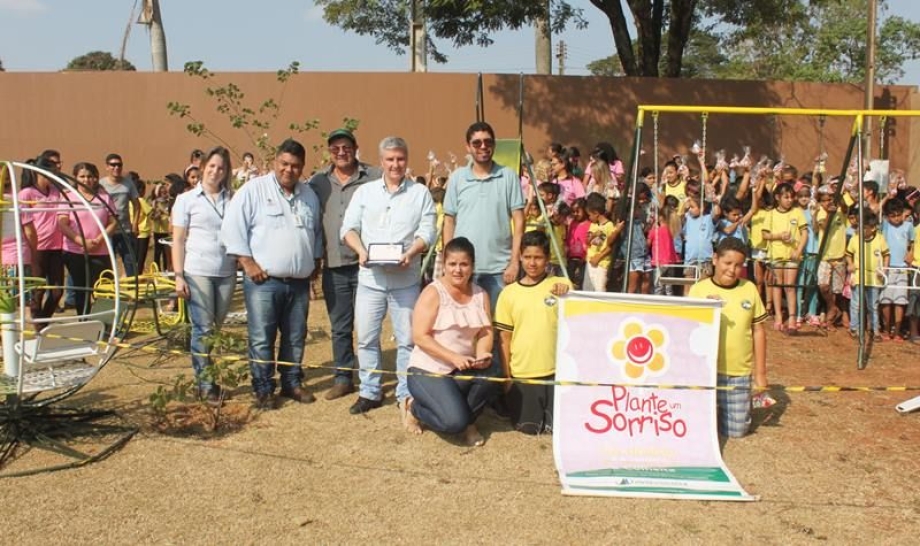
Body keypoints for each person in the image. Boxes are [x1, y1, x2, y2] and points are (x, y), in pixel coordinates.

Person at [221, 139, 324, 409]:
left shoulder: (309, 195)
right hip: (263, 282)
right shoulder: (253, 190)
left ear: (302, 168)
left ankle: (291, 382)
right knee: (261, 336)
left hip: (299, 283)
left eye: (295, 166)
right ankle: (263, 388)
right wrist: (247, 261)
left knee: (294, 336)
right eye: (284, 164)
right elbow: (232, 229)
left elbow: (315, 234)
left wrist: (314, 263)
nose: (289, 170)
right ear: (274, 162)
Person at [340, 137, 436, 415]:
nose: (395, 164)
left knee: (407, 340)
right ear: (381, 161)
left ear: (407, 160)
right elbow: (348, 228)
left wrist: (412, 251)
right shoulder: (365, 193)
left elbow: (428, 230)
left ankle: (405, 393)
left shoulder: (420, 193)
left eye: (400, 159)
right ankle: (369, 391)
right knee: (367, 339)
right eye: (390, 159)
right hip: (371, 281)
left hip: (405, 283)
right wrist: (360, 251)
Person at [308, 128, 382, 401]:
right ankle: (342, 378)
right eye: (335, 148)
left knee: (368, 325)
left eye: (346, 147)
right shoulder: (318, 182)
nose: (341, 152)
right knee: (340, 325)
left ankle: (369, 378)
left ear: (355, 148)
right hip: (335, 265)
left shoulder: (374, 176)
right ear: (330, 152)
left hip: (368, 264)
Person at [404, 237, 497, 445]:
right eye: (452, 264)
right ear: (444, 265)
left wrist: (482, 353)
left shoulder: (481, 295)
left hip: (462, 368)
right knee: (453, 423)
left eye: (464, 264)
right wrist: (453, 357)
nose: (458, 270)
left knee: (492, 374)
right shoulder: (432, 293)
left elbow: (485, 332)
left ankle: (469, 422)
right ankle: (413, 407)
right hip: (428, 369)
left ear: (472, 266)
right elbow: (419, 336)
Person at [173, 147, 237, 405]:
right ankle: (205, 385)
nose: (215, 171)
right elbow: (178, 240)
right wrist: (179, 276)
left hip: (226, 272)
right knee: (203, 329)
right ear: (202, 167)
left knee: (216, 329)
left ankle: (209, 375)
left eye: (220, 168)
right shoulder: (186, 200)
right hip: (197, 270)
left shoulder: (232, 199)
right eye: (211, 166)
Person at [688, 237, 768, 439]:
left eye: (739, 265)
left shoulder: (749, 289)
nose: (733, 270)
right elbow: (688, 329)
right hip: (705, 372)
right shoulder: (699, 290)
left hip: (738, 373)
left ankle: (735, 407)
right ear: (715, 259)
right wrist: (704, 310)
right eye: (728, 263)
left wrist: (760, 374)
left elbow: (759, 330)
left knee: (737, 432)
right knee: (699, 430)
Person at [442, 121, 525, 312]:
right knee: (464, 328)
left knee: (499, 328)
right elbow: (448, 221)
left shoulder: (508, 176)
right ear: (468, 147)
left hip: (500, 270)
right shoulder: (457, 178)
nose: (483, 147)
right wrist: (449, 263)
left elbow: (519, 221)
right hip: (463, 270)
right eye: (477, 143)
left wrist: (514, 262)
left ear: (494, 144)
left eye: (487, 142)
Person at [495, 230, 571, 434]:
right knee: (528, 429)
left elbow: (579, 324)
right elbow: (504, 339)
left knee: (557, 429)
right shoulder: (508, 294)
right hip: (523, 374)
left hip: (556, 373)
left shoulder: (562, 286)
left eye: (538, 257)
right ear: (520, 257)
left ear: (547, 258)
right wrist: (507, 378)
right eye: (527, 257)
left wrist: (569, 295)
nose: (532, 263)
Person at [57, 162, 116, 315]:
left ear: (95, 178)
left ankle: (104, 322)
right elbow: (63, 224)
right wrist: (80, 241)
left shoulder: (103, 197)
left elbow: (113, 222)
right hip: (75, 251)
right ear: (75, 177)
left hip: (100, 250)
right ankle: (84, 321)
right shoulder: (68, 196)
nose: (86, 180)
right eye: (82, 176)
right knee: (81, 289)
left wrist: (98, 240)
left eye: (90, 176)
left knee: (104, 288)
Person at [19, 155, 64, 322]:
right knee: (38, 290)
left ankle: (43, 320)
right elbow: (26, 223)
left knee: (57, 291)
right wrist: (32, 247)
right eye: (49, 172)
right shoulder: (27, 193)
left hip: (56, 247)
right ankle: (39, 325)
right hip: (37, 247)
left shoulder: (56, 191)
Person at [846, 210, 889, 341]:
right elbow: (848, 254)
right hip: (859, 275)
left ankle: (875, 330)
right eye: (860, 227)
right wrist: (850, 264)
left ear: (873, 228)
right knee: (856, 304)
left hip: (874, 277)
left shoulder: (880, 238)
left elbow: (886, 254)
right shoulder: (854, 239)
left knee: (873, 305)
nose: (861, 230)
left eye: (865, 228)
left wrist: (884, 270)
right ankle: (854, 328)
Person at [98, 153, 141, 276]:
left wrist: (135, 225)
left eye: (119, 165)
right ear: (107, 167)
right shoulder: (101, 185)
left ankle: (132, 290)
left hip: (125, 230)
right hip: (107, 230)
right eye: (113, 165)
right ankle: (108, 291)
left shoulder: (128, 183)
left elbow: (137, 205)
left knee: (130, 262)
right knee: (107, 263)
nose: (116, 167)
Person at [879, 198, 913, 340]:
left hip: (902, 268)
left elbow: (911, 242)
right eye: (893, 215)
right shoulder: (885, 225)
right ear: (887, 216)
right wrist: (887, 196)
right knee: (886, 300)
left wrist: (910, 254)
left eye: (899, 214)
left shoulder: (908, 226)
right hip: (886, 267)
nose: (896, 218)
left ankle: (897, 331)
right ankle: (886, 329)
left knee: (900, 300)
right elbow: (878, 211)